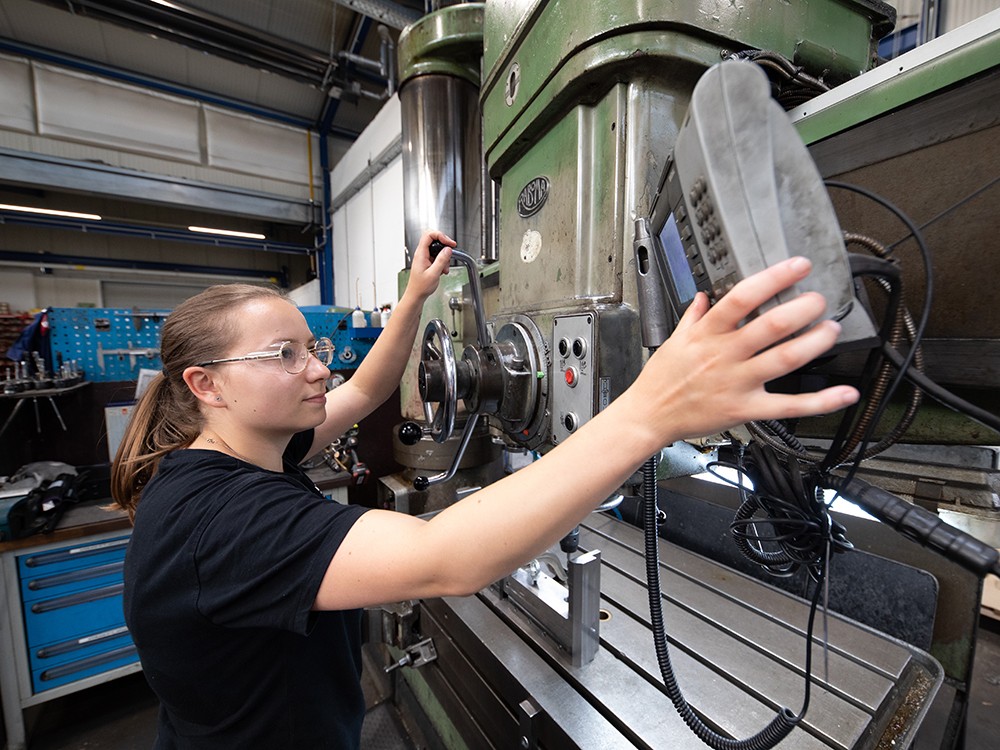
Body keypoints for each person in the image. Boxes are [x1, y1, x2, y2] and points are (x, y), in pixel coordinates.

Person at [112, 230, 859, 749]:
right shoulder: (219, 518)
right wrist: (651, 409)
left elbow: (369, 385)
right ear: (205, 384)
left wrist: (414, 297)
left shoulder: (254, 442)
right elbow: (448, 557)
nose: (317, 371)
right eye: (285, 354)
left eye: (315, 347)